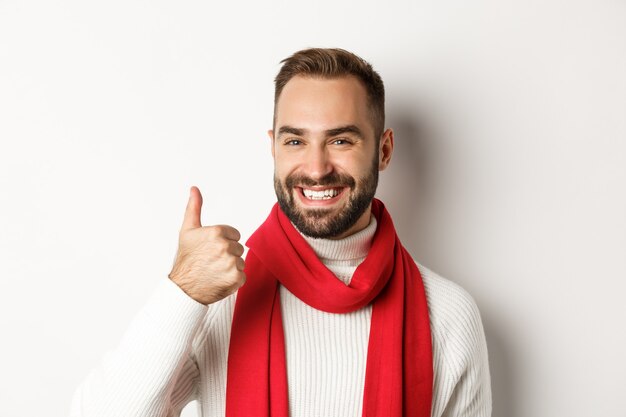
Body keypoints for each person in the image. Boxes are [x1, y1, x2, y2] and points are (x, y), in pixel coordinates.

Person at [71, 48, 491, 417]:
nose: (315, 167)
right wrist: (183, 292)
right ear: (273, 147)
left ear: (383, 150)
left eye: (341, 140)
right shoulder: (218, 300)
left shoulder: (448, 317)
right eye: (295, 142)